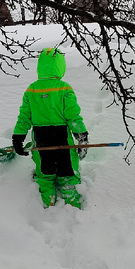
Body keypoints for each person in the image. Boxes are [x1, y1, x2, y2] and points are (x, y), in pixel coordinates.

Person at [12, 47, 88, 208]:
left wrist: (18, 138)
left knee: (44, 168)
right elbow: (73, 116)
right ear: (60, 66)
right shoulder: (64, 88)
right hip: (62, 137)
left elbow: (24, 117)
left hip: (41, 137)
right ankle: (71, 198)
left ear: (40, 66)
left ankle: (48, 198)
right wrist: (81, 137)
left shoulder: (31, 90)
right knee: (66, 167)